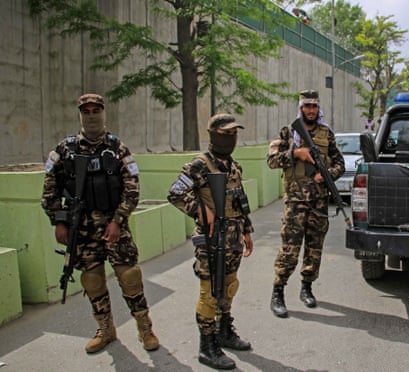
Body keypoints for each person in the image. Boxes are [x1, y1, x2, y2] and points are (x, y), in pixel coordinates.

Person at [41, 93, 159, 353]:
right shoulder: (64, 150)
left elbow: (132, 189)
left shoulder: (118, 148)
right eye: (87, 111)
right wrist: (59, 223)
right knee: (92, 280)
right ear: (80, 114)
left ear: (104, 113)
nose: (92, 115)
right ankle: (105, 329)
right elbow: (50, 191)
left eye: (96, 110)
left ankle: (144, 327)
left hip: (114, 225)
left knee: (129, 276)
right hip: (81, 229)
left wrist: (118, 221)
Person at [167, 113, 254, 370]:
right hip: (211, 240)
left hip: (234, 239)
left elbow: (240, 200)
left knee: (229, 285)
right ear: (213, 134)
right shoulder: (199, 165)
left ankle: (224, 330)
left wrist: (247, 230)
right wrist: (200, 211)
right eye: (225, 133)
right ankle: (207, 346)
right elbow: (175, 193)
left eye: (233, 133)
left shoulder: (234, 166)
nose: (230, 138)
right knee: (209, 293)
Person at [267, 89, 345, 318]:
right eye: (306, 106)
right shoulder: (288, 133)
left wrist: (328, 174)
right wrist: (296, 153)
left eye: (314, 107)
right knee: (289, 250)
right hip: (295, 200)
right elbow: (272, 161)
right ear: (300, 108)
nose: (310, 110)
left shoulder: (326, 133)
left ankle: (306, 288)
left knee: (314, 249)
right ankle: (278, 292)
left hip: (318, 201)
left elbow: (340, 163)